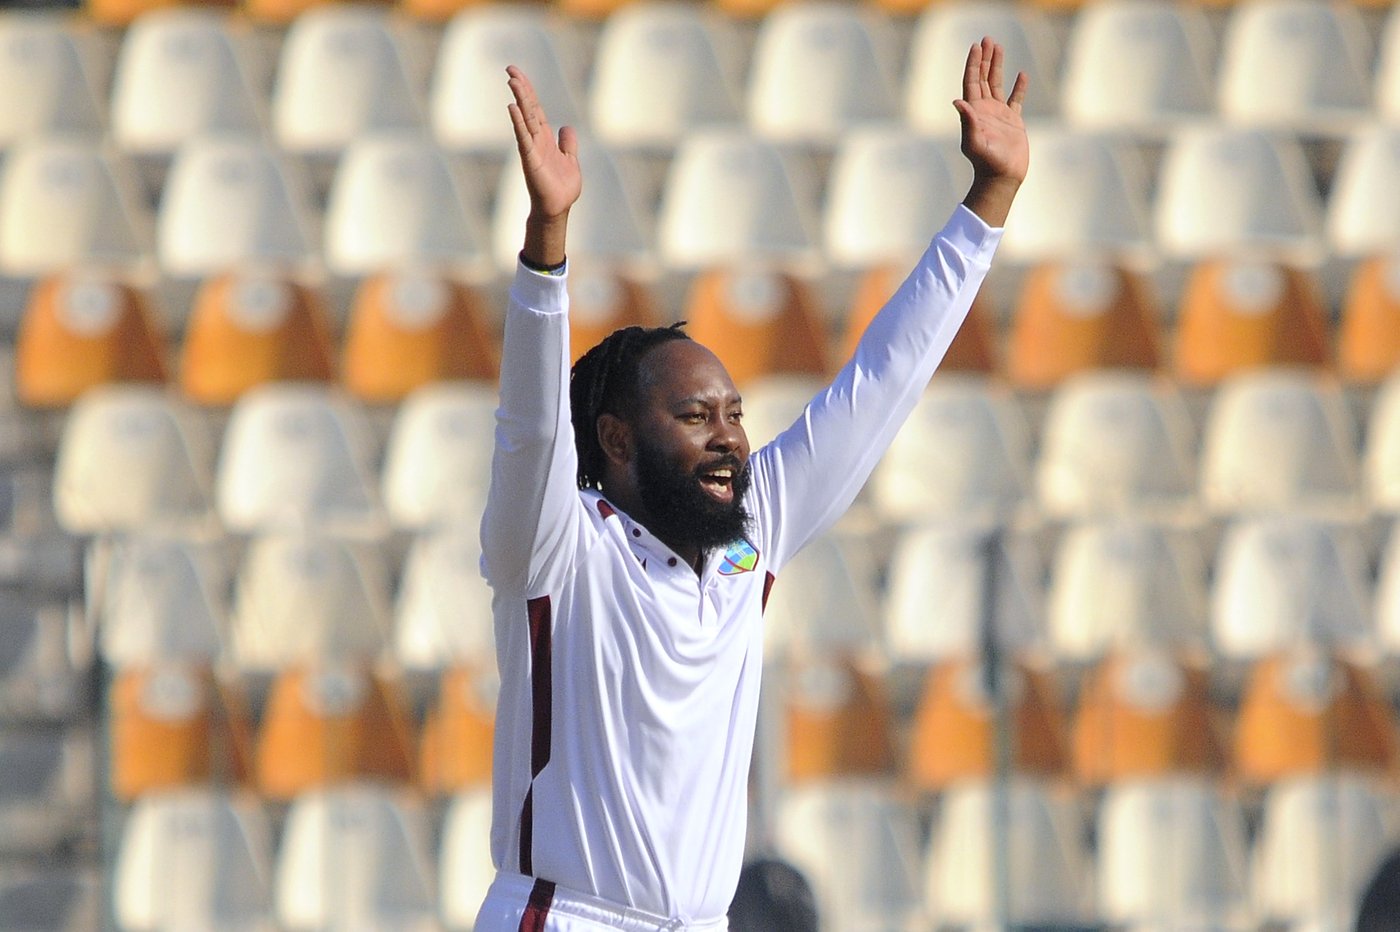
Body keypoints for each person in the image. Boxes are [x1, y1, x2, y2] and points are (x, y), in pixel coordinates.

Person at [475, 38, 1029, 931]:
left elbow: (879, 384)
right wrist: (547, 251)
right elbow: (530, 431)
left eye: (733, 413)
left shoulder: (750, 534)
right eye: (695, 416)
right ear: (616, 439)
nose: (730, 437)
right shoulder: (555, 548)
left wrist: (987, 204)